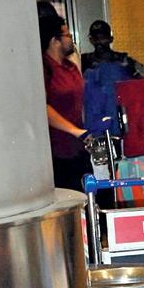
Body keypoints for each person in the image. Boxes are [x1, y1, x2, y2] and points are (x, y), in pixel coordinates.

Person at [40, 13, 91, 191]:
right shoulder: (45, 69)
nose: (71, 40)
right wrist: (75, 131)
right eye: (67, 35)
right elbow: (42, 107)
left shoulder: (70, 68)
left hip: (78, 147)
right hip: (57, 151)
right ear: (55, 40)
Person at [80, 20, 144, 76]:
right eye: (95, 38)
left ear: (111, 39)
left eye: (103, 38)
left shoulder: (123, 59)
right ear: (91, 40)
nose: (99, 42)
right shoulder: (83, 61)